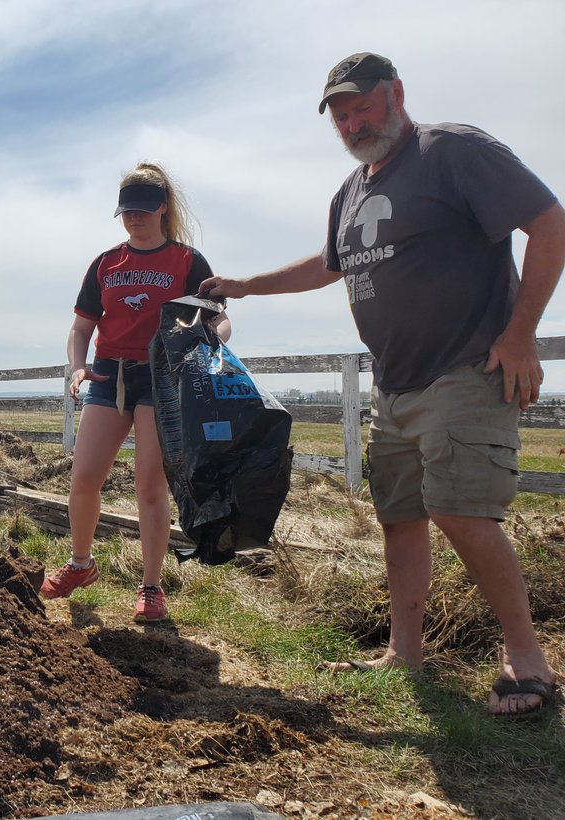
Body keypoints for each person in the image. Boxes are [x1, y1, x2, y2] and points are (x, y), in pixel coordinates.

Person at [201, 52, 564, 717]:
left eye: (362, 106)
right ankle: (405, 651)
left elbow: (548, 221)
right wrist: (248, 285)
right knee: (400, 518)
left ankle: (527, 660)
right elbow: (326, 263)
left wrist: (520, 336)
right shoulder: (352, 190)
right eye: (340, 115)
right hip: (392, 385)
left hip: (464, 367)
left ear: (396, 93)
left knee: (461, 510)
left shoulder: (452, 151)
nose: (351, 122)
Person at [39, 162, 231, 622]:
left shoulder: (188, 262)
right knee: (84, 478)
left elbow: (218, 318)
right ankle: (81, 565)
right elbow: (82, 326)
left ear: (162, 208)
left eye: (143, 210)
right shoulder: (106, 263)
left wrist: (211, 343)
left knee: (149, 486)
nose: (134, 218)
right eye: (127, 211)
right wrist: (78, 367)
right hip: (108, 375)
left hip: (161, 377)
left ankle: (151, 587)